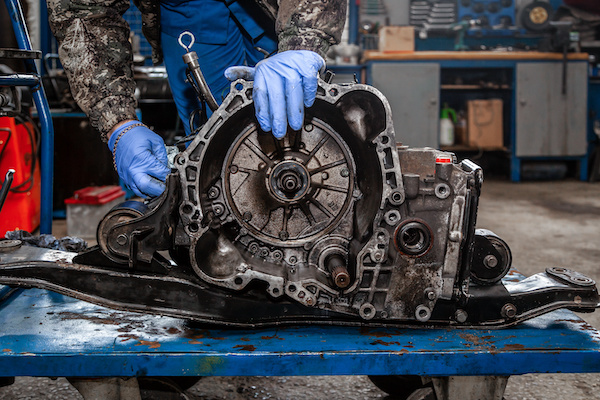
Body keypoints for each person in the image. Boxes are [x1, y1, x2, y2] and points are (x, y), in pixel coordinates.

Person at [47, 0, 347, 198]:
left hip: (277, 7)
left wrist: (303, 41)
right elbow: (82, 12)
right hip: (188, 9)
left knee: (296, 116)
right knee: (215, 157)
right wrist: (118, 124)